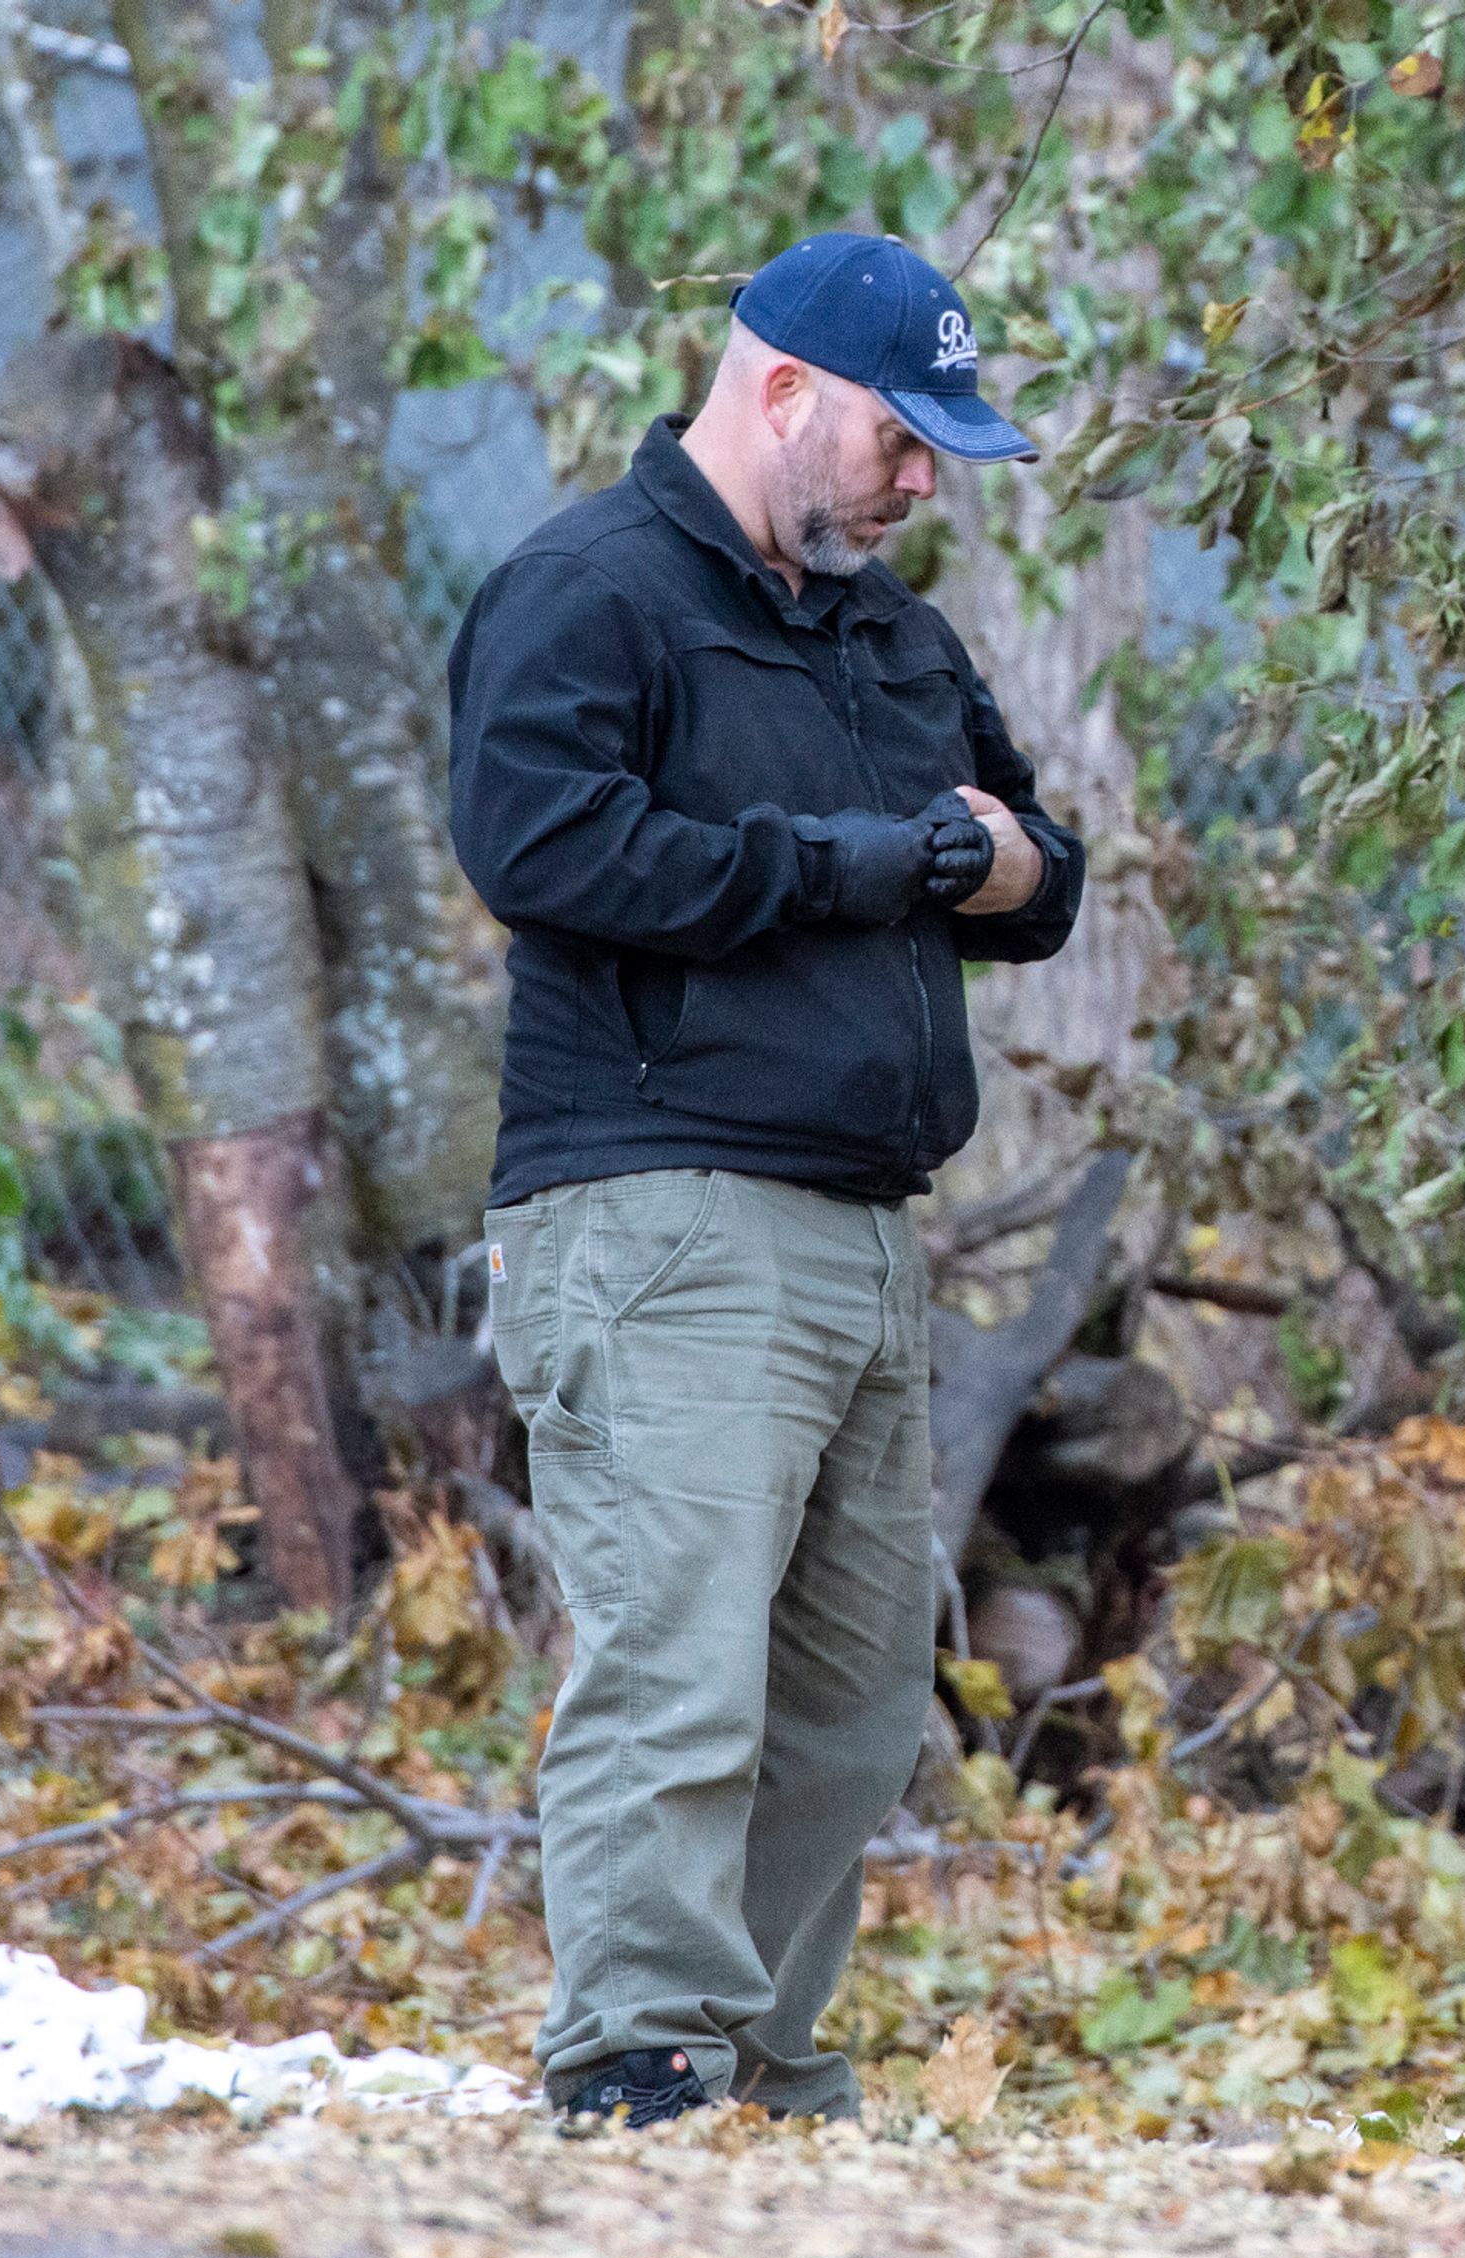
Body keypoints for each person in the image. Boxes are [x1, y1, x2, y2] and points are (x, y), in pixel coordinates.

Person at [445, 232, 1086, 2133]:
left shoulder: (890, 629)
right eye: (906, 439)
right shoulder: (588, 589)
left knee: (855, 1693)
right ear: (783, 390)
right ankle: (636, 2055)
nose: (924, 481)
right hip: (654, 1211)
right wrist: (867, 863)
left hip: (863, 1222)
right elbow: (544, 846)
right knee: (683, 1659)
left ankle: (756, 2069)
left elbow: (1022, 851)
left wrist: (1008, 872)